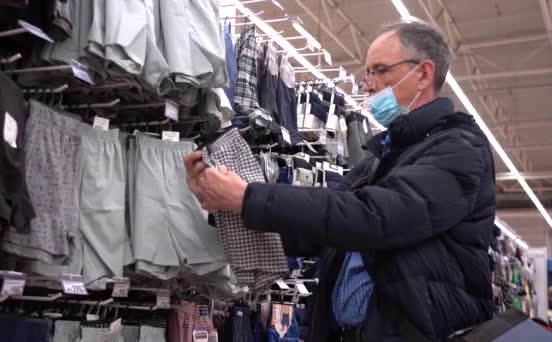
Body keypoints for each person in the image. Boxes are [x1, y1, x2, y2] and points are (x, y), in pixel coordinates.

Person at [184, 19, 496, 341]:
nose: (367, 85)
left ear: (423, 74)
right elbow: (320, 232)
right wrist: (224, 204)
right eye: (368, 73)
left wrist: (249, 197)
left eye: (380, 70)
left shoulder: (458, 148)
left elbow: (373, 217)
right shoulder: (383, 157)